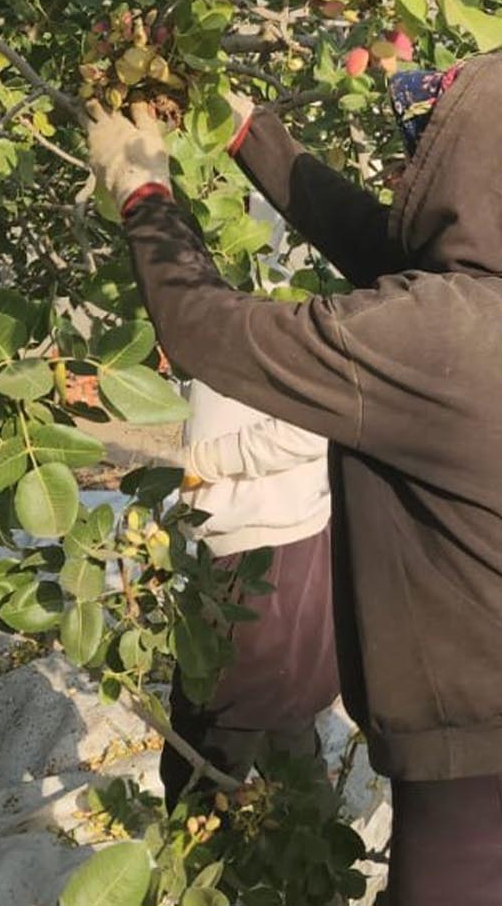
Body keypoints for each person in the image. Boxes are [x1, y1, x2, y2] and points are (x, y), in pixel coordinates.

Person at [86, 52, 502, 905]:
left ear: (479, 185)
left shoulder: (439, 341)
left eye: (424, 153)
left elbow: (205, 331)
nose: (400, 171)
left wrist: (143, 195)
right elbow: (386, 241)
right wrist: (244, 126)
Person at [159, 220, 338, 805]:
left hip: (269, 547)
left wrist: (207, 461)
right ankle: (300, 850)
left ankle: (203, 852)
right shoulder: (224, 315)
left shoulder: (279, 314)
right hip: (242, 541)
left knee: (222, 715)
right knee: (275, 707)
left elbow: (311, 426)